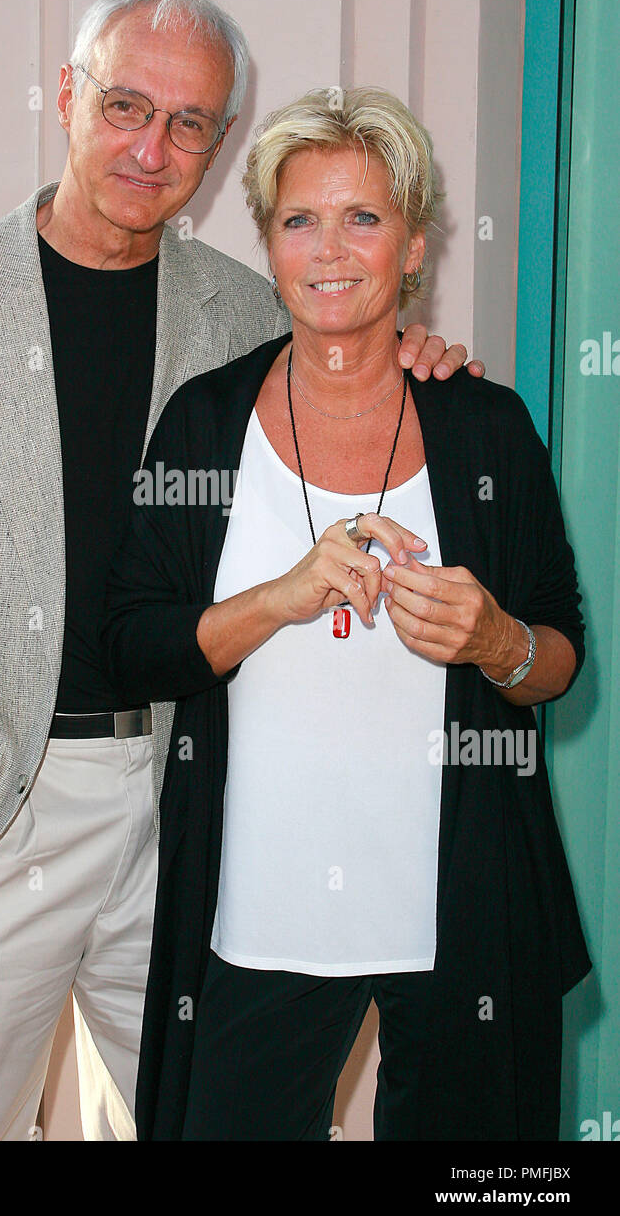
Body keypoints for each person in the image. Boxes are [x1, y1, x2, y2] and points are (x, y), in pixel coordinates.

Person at [0, 0, 478, 1143]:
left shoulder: (249, 312)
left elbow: (352, 370)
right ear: (65, 98)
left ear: (217, 145)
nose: (150, 147)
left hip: (182, 804)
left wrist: (406, 351)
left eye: (188, 123)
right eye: (122, 105)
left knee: (195, 1124)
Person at [101, 85, 590, 1141]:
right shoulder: (203, 425)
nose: (330, 249)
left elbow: (559, 658)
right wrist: (277, 599)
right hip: (256, 918)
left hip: (457, 924)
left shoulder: (484, 427)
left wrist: (497, 640)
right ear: (269, 245)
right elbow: (131, 647)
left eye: (362, 217)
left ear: (411, 245)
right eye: (298, 219)